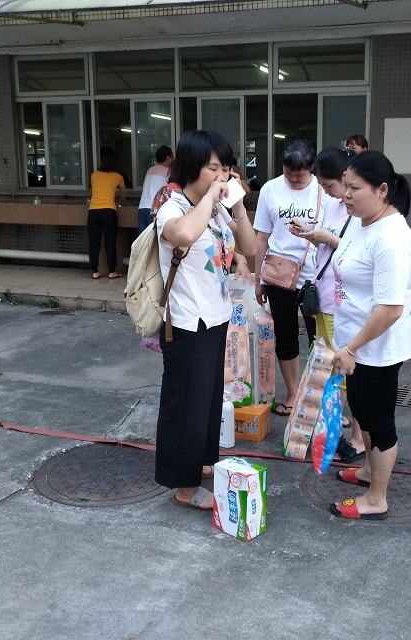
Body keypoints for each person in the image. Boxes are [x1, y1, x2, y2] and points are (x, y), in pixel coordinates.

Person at [154, 129, 256, 510]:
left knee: (208, 402)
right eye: (213, 168)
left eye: (225, 168)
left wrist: (238, 207)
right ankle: (184, 488)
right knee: (186, 407)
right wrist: (213, 197)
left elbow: (250, 247)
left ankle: (198, 462)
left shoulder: (214, 210)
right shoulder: (172, 207)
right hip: (186, 322)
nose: (222, 175)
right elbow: (181, 234)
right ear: (192, 167)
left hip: (215, 318)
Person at [329, 150, 411, 520]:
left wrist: (351, 347)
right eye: (345, 186)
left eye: (354, 188)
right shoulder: (361, 221)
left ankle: (376, 498)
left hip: (376, 348)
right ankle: (368, 470)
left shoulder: (392, 239)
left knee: (379, 423)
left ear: (382, 190)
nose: (345, 195)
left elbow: (390, 309)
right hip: (355, 345)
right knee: (362, 413)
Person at [289, 147, 365, 462]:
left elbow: (359, 252)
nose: (327, 191)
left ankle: (357, 438)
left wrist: (328, 239)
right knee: (326, 366)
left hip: (342, 302)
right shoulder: (333, 205)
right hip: (323, 297)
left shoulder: (358, 208)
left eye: (329, 185)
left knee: (345, 369)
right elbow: (328, 243)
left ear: (345, 177)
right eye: (322, 185)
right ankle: (333, 432)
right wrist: (309, 234)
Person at [253, 139, 329, 417]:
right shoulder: (270, 189)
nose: (294, 180)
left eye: (300, 175)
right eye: (289, 174)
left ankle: (320, 399)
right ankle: (294, 394)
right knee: (285, 338)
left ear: (312, 168)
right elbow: (262, 237)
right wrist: (259, 279)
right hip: (279, 275)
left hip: (316, 278)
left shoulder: (324, 190)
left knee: (320, 340)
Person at [87, 152, 126, 279]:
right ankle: (112, 271)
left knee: (94, 242)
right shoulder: (118, 177)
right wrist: (121, 203)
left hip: (93, 211)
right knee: (110, 242)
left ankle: (95, 271)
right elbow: (123, 197)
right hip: (109, 211)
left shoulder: (94, 175)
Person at [138, 145, 174, 236]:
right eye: (172, 157)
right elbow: (170, 189)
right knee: (154, 238)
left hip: (142, 207)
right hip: (154, 208)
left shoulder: (150, 170)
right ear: (168, 158)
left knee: (143, 239)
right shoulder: (168, 171)